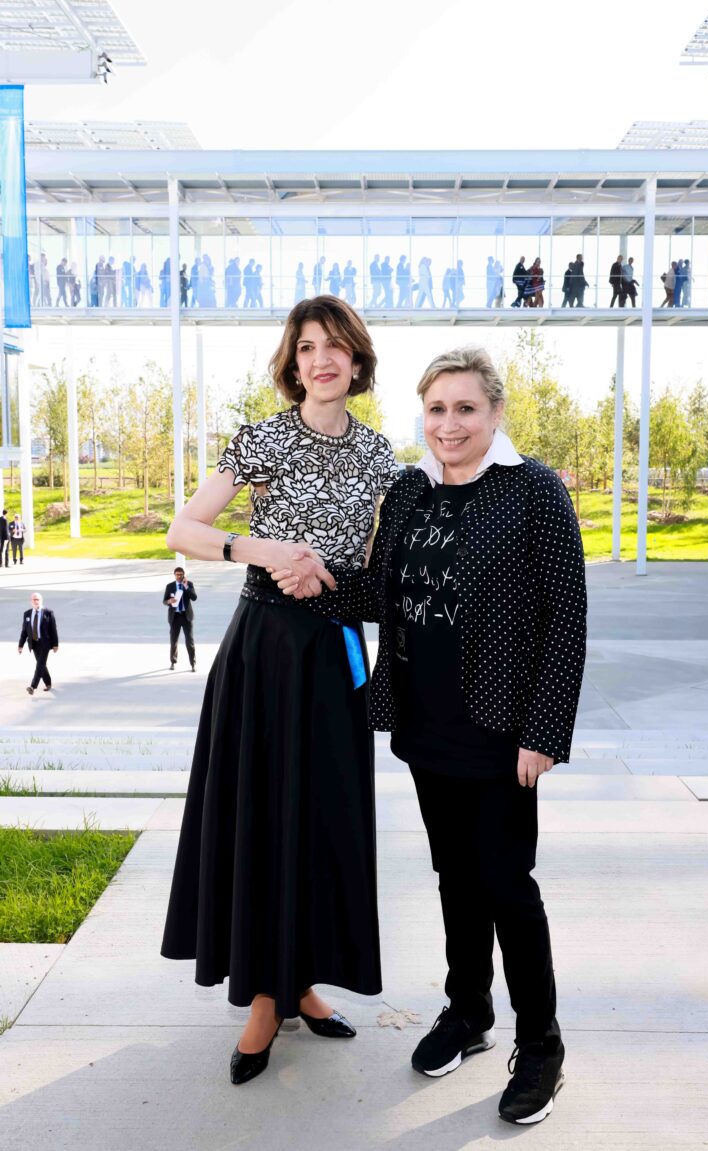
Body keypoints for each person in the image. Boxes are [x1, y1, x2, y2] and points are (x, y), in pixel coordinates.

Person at [274, 344, 587, 1126]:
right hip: (424, 722)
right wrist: (298, 570)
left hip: (502, 730)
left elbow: (566, 619)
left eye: (465, 408)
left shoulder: (534, 491)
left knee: (509, 888)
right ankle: (468, 1012)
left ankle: (541, 1046)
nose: (448, 424)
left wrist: (543, 731)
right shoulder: (410, 490)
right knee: (455, 876)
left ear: (495, 412)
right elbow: (381, 588)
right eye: (437, 408)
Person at [160, 295, 400, 1087]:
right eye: (306, 349)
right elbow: (184, 530)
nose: (321, 360)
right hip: (262, 651)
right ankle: (264, 998)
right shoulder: (261, 438)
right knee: (264, 818)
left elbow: (382, 571)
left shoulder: (379, 456)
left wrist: (330, 574)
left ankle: (302, 980)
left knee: (321, 817)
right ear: (291, 364)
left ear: (356, 362)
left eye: (334, 347)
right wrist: (264, 548)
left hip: (332, 653)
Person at [18, 592, 59, 695]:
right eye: (34, 599)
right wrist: (20, 645)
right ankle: (48, 683)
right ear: (31, 601)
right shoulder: (27, 614)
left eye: (38, 599)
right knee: (42, 665)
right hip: (34, 643)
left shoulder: (48, 613)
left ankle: (33, 686)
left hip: (45, 643)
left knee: (39, 664)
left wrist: (55, 644)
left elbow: (53, 629)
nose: (36, 601)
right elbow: (24, 631)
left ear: (41, 600)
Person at [164, 566, 197, 671]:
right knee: (173, 641)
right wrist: (169, 601)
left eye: (181, 574)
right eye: (177, 574)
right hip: (175, 617)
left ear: (184, 575)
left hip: (186, 616)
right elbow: (164, 601)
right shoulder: (170, 586)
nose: (179, 576)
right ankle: (173, 662)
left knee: (189, 641)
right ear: (174, 575)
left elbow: (194, 597)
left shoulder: (189, 584)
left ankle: (193, 664)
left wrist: (186, 587)